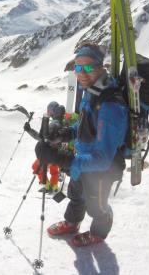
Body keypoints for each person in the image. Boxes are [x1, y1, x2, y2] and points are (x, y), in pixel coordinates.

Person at [34, 42, 128, 247]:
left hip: (103, 169)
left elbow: (103, 159)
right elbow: (85, 125)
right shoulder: (91, 91)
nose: (81, 73)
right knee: (76, 195)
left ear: (100, 67)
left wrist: (62, 159)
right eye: (77, 68)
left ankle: (99, 232)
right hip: (82, 160)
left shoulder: (111, 105)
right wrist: (64, 133)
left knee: (97, 206)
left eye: (88, 67)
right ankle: (72, 222)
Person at [24, 101, 71, 193]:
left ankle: (47, 186)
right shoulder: (63, 122)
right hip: (58, 153)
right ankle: (54, 186)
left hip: (48, 152)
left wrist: (29, 130)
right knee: (54, 169)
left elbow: (42, 138)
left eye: (49, 111)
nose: (48, 113)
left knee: (36, 167)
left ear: (53, 112)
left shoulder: (53, 124)